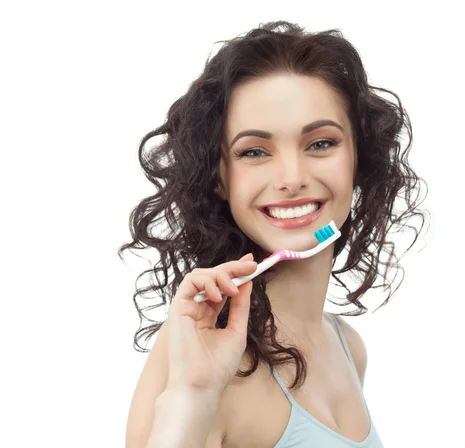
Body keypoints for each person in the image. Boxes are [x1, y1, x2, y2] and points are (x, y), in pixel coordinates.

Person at [120, 20, 426, 448]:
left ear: (361, 157)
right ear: (219, 178)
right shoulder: (194, 356)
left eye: (320, 143)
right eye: (255, 151)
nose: (292, 177)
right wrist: (193, 396)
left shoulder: (348, 346)